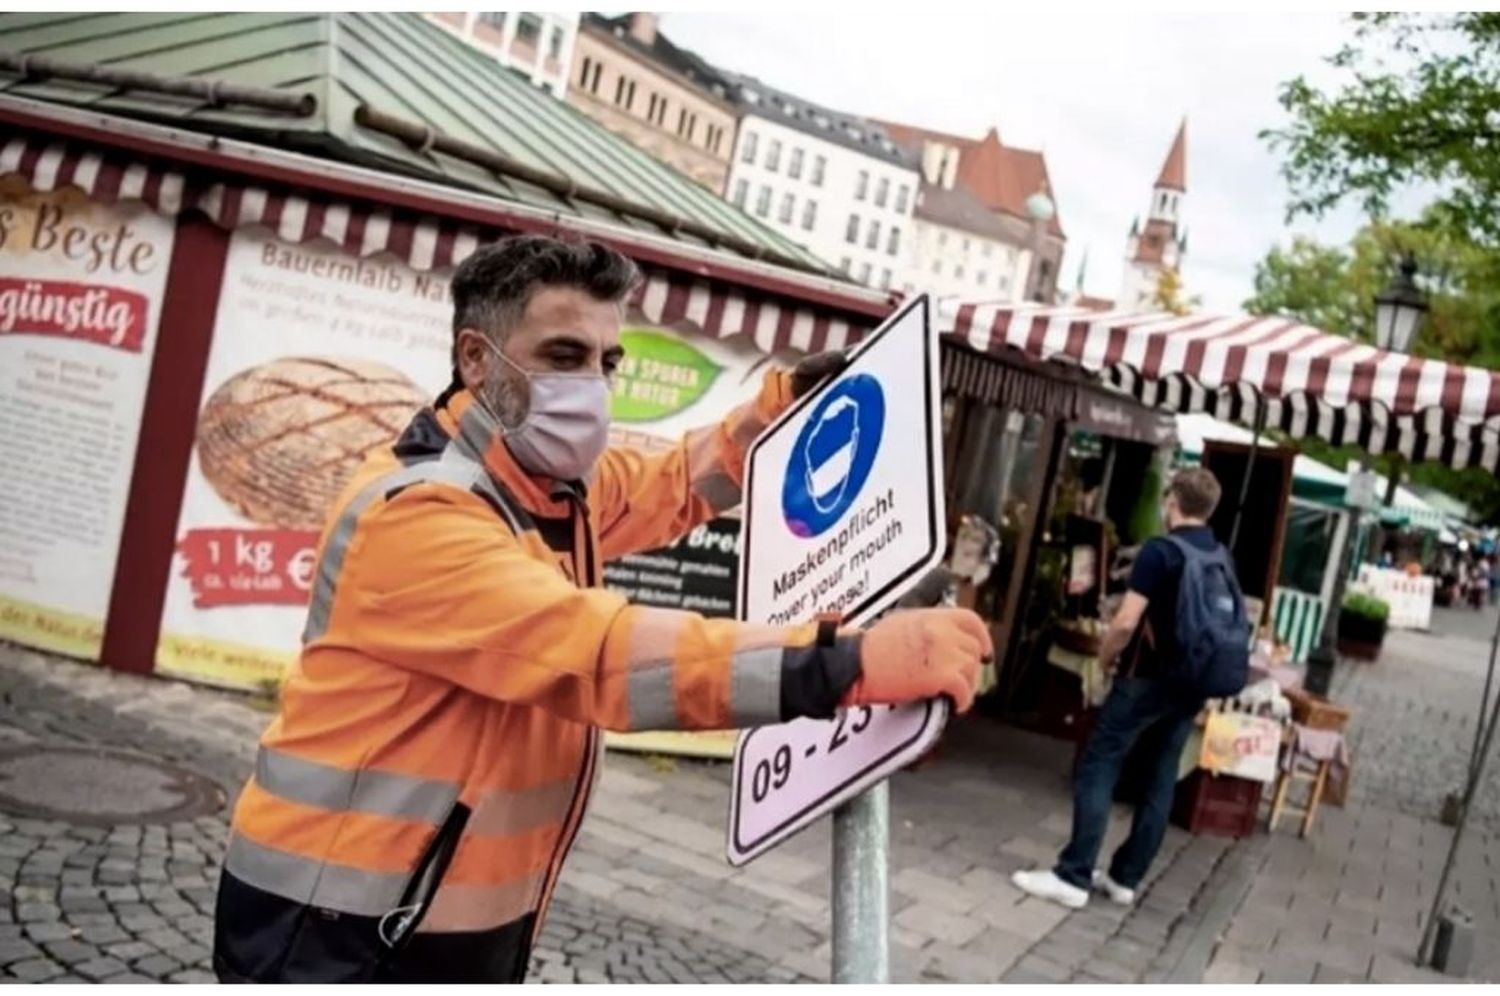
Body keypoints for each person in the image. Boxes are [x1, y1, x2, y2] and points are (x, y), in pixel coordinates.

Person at [212, 236, 990, 983]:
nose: (591, 384)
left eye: (606, 361)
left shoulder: (545, 490)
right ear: (476, 359)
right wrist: (845, 663)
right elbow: (601, 656)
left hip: (432, 919)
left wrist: (774, 415)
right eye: (563, 355)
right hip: (333, 930)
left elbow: (675, 483)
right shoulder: (417, 517)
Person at [1012, 468, 1226, 910]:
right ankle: (1125, 878)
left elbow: (1126, 621)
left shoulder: (1161, 552)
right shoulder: (1220, 556)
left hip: (1146, 678)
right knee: (1160, 777)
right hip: (1190, 684)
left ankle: (1073, 873)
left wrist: (1105, 658)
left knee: (1099, 762)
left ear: (1172, 502)